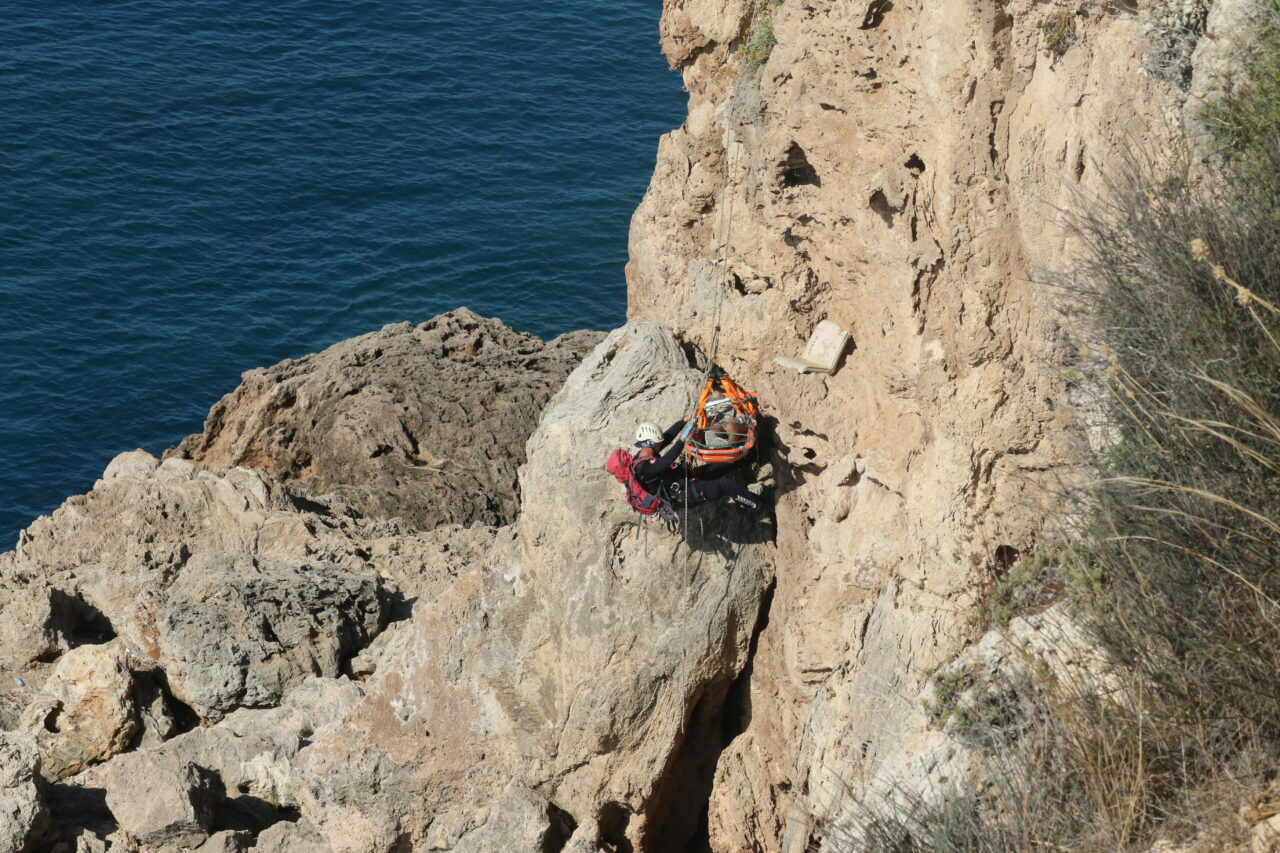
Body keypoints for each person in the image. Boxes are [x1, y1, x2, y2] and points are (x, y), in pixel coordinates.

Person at [630, 418, 770, 515]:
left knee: (718, 465)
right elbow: (667, 460)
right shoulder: (645, 467)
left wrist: (683, 421)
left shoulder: (644, 453)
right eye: (658, 443)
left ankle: (754, 454)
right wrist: (682, 440)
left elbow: (666, 438)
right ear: (652, 443)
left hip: (678, 479)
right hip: (683, 495)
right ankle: (758, 506)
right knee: (725, 485)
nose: (661, 444)